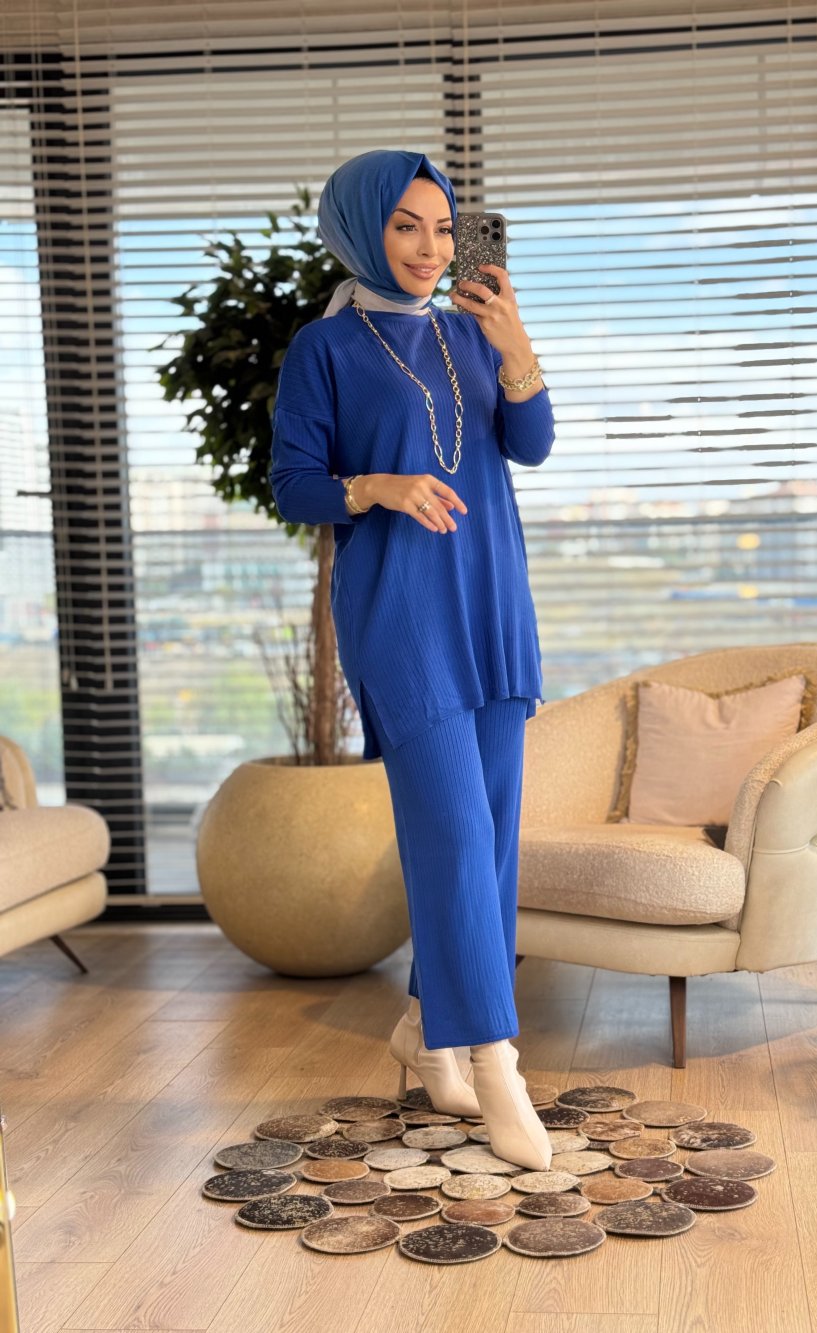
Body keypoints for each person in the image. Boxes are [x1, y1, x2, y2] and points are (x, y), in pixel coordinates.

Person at [268, 149, 554, 1171]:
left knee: (492, 833)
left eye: (442, 227)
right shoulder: (323, 348)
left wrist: (515, 345)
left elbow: (531, 444)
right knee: (452, 833)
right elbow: (293, 482)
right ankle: (497, 1061)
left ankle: (426, 1030)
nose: (430, 249)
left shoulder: (472, 330)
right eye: (405, 226)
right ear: (360, 228)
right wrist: (378, 486)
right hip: (399, 613)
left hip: (491, 598)